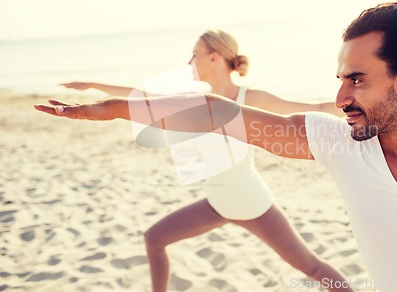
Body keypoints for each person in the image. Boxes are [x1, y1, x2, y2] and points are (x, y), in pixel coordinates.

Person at [35, 2, 397, 292]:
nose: (341, 99)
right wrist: (111, 109)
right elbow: (213, 111)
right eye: (340, 80)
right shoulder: (337, 143)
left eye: (357, 80)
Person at [55, 30, 351, 292]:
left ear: (214, 57)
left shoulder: (251, 97)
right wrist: (92, 85)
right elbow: (143, 97)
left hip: (252, 204)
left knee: (313, 268)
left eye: (194, 55)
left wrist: (359, 108)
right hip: (216, 204)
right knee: (154, 239)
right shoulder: (198, 100)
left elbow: (318, 108)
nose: (190, 62)